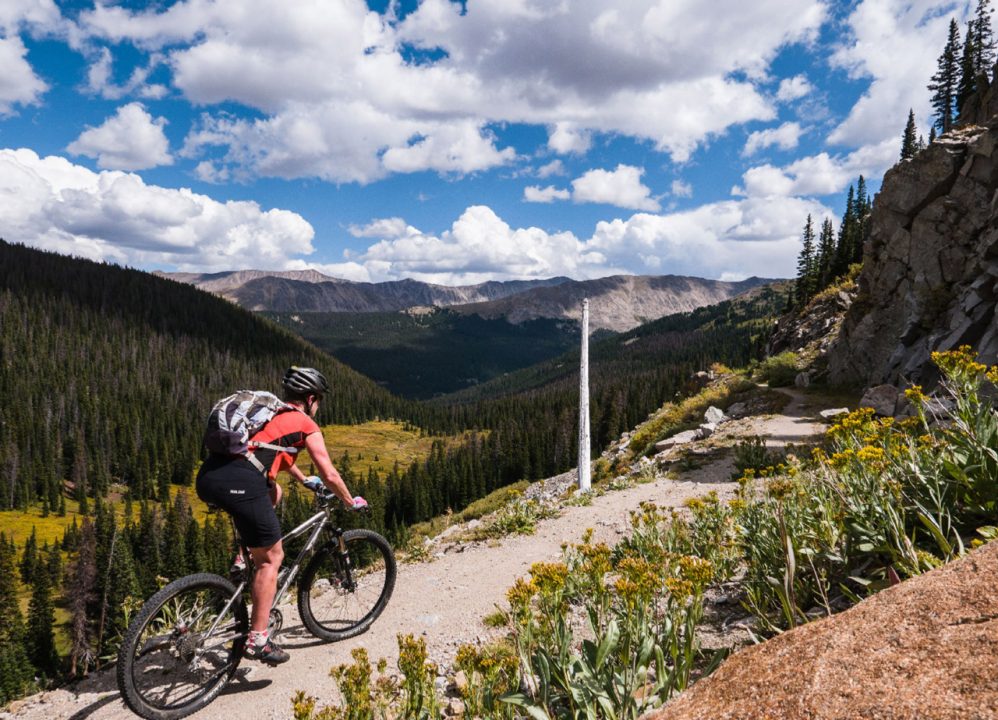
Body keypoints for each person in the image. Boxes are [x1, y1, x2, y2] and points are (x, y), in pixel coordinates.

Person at [196, 366, 367, 664]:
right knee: (272, 558)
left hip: (210, 476)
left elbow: (274, 452)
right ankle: (258, 640)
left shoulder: (270, 414)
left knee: (274, 492)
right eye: (319, 401)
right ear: (311, 398)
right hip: (240, 481)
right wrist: (349, 501)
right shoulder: (304, 422)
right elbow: (329, 471)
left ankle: (242, 558)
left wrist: (303, 480)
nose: (319, 407)